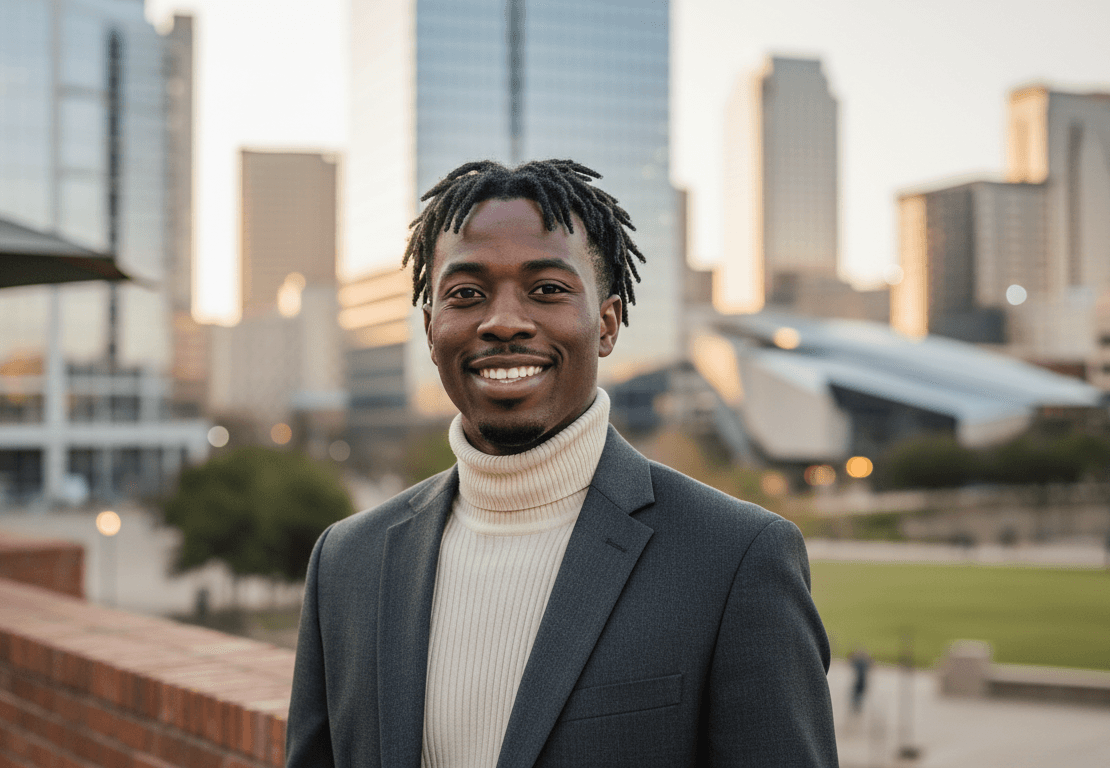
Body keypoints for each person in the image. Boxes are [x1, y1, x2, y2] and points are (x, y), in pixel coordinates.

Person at [286, 160, 838, 767]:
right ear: (430, 329)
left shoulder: (736, 558)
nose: (502, 322)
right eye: (466, 294)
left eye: (547, 289)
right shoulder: (347, 561)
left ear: (606, 322)